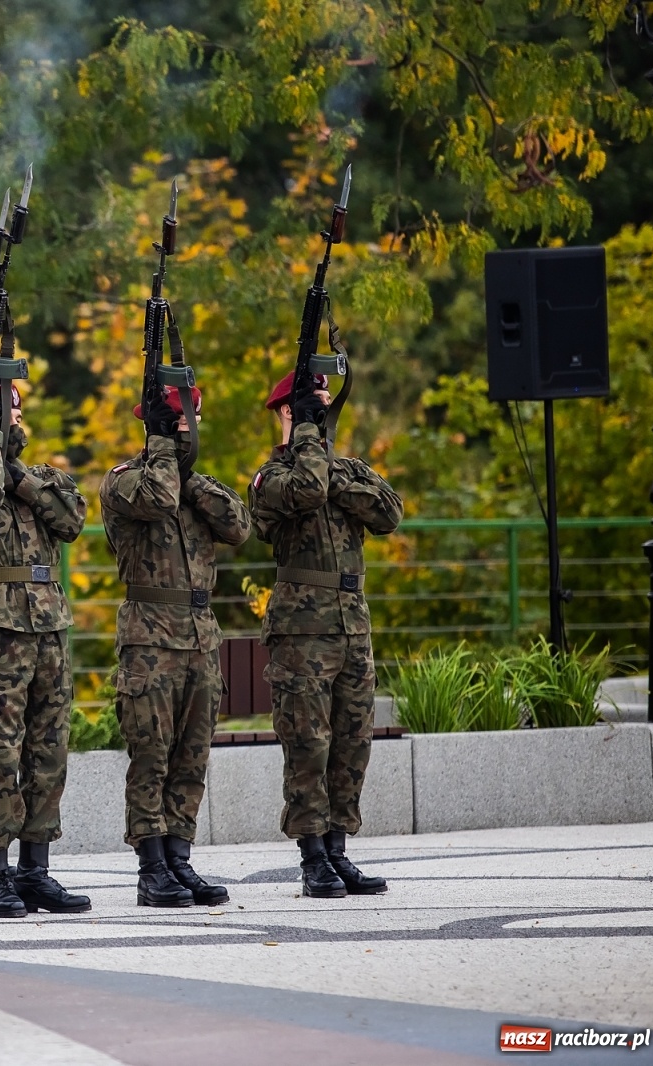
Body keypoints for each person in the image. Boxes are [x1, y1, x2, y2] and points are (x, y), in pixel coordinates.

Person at [249, 371, 403, 898]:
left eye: (321, 408)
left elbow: (389, 512)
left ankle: (339, 849)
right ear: (286, 415)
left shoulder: (344, 469)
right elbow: (307, 490)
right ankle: (312, 855)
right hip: (302, 633)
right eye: (307, 409)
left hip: (351, 627)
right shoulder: (271, 477)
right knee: (308, 744)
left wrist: (331, 462)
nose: (318, 418)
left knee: (352, 743)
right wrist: (309, 444)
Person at [0, 384, 91, 919]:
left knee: (47, 752)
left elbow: (70, 521)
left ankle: (35, 871)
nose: (18, 420)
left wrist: (18, 473)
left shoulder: (42, 476)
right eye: (8, 413)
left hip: (48, 626)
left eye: (20, 411)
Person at [99, 386, 250, 908]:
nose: (193, 426)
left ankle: (180, 859)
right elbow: (157, 497)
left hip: (200, 635)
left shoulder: (193, 486)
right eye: (183, 418)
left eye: (196, 416)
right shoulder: (126, 482)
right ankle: (151, 867)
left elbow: (239, 526)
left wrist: (189, 475)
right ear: (158, 424)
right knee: (152, 755)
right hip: (149, 638)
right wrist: (164, 449)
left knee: (192, 755)